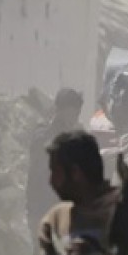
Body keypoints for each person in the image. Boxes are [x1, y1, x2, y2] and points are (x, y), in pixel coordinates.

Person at [33, 131, 119, 255]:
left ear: (76, 173)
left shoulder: (125, 208)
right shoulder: (55, 219)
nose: (51, 181)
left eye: (55, 171)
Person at [27, 89, 84, 236]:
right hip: (42, 207)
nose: (74, 118)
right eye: (72, 113)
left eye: (77, 114)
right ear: (60, 111)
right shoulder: (42, 135)